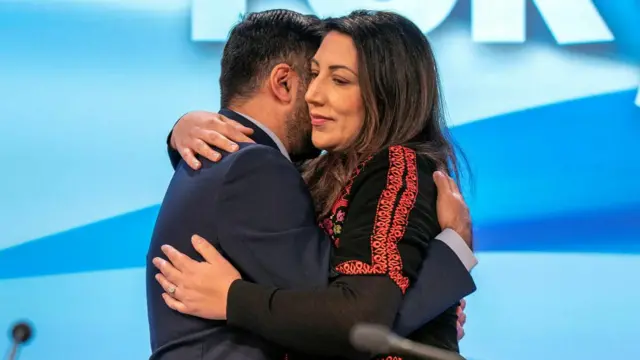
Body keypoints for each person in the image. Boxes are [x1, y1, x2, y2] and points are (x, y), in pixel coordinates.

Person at [148, 9, 476, 360]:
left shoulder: (393, 167)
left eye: (339, 80)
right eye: (315, 75)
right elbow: (354, 319)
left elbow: (355, 318)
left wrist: (232, 298)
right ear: (283, 82)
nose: (313, 95)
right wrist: (445, 270)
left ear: (386, 91)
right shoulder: (259, 167)